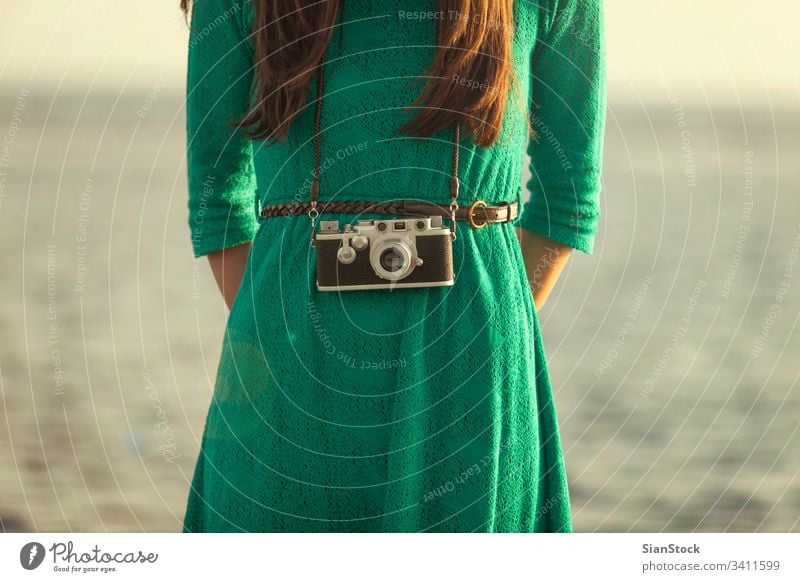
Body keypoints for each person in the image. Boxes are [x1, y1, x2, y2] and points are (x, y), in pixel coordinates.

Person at [181, 0, 605, 532]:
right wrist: (283, 331)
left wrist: (486, 323)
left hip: (473, 373)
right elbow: (216, 201)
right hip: (285, 380)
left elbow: (568, 197)